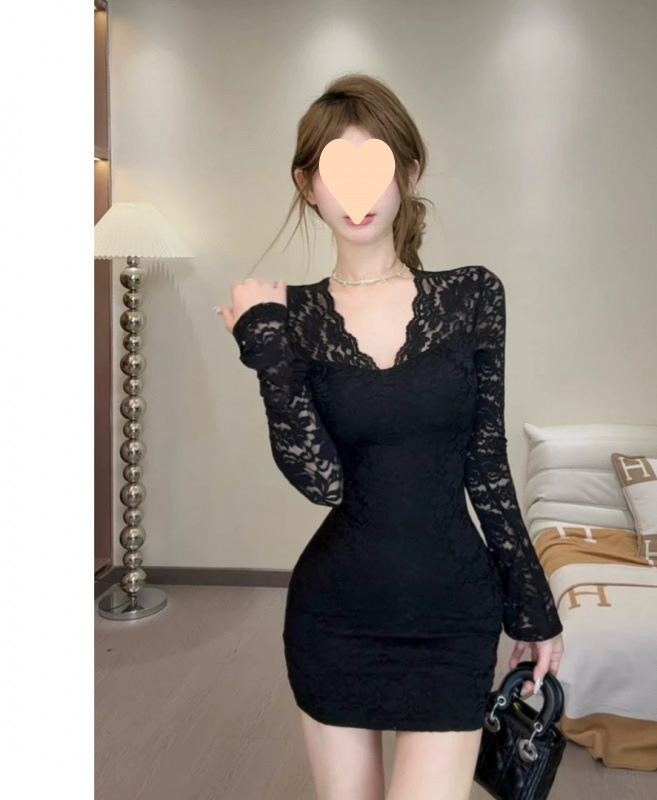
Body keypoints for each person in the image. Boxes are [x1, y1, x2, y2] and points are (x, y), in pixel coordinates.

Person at [216, 74, 564, 800]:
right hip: (336, 617)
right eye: (334, 170)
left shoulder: (473, 295)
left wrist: (531, 606)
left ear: (408, 171)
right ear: (308, 185)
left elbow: (486, 465)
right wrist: (269, 353)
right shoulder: (290, 318)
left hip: (451, 617)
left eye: (374, 165)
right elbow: (323, 483)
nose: (357, 192)